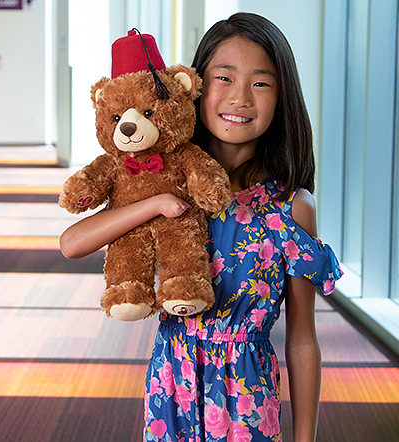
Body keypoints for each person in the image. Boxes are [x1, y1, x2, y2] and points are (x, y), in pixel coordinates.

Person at [60, 12, 343, 442]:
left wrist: (307, 439)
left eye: (261, 83)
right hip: (170, 395)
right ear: (193, 87)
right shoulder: (169, 188)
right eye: (224, 78)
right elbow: (72, 243)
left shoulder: (292, 207)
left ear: (282, 96)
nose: (241, 97)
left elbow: (303, 339)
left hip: (249, 406)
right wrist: (155, 203)